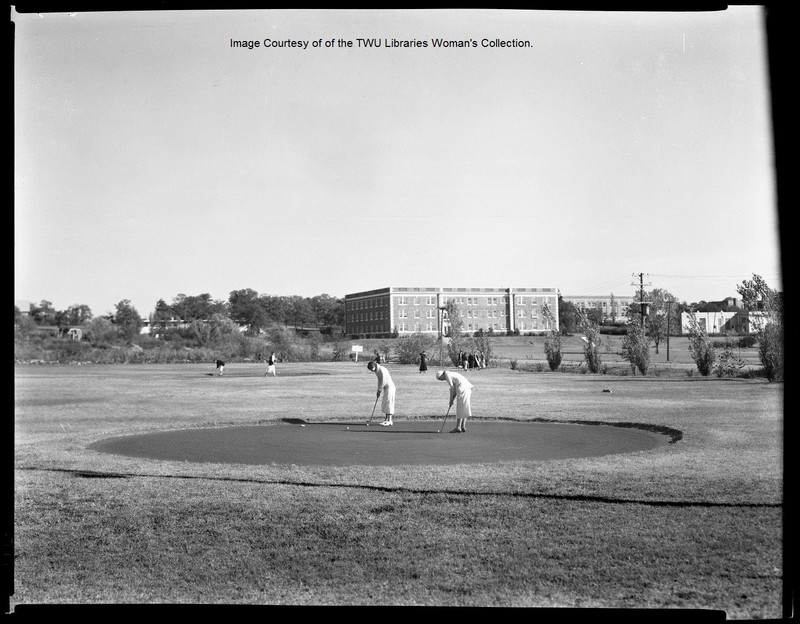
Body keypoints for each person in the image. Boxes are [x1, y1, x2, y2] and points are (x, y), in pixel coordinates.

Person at [436, 369, 474, 433]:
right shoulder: (451, 374)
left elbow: (452, 388)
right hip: (467, 388)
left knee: (460, 408)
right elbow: (455, 390)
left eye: (440, 379)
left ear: (442, 375)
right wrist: (452, 400)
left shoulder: (447, 375)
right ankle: (463, 426)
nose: (442, 380)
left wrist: (451, 400)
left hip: (463, 389)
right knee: (464, 407)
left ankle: (458, 427)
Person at [367, 360, 396, 426]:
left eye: (372, 369)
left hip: (390, 387)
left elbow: (383, 381)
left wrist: (380, 390)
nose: (372, 371)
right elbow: (379, 381)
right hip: (386, 388)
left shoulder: (382, 370)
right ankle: (386, 420)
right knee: (385, 403)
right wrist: (378, 390)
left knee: (389, 403)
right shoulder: (377, 371)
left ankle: (390, 420)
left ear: (374, 366)